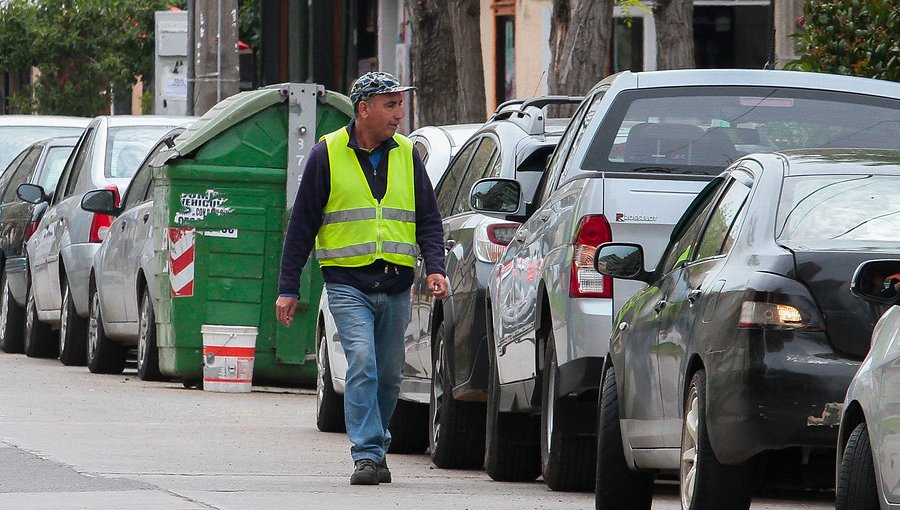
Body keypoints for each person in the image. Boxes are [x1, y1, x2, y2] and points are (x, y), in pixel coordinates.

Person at [275, 71, 448, 486]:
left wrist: (436, 266)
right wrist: (288, 288)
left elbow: (427, 217)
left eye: (401, 105)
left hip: (395, 285)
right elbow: (302, 225)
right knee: (363, 365)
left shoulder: (407, 155)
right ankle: (367, 454)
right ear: (364, 109)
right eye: (390, 105)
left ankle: (378, 444)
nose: (399, 114)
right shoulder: (327, 154)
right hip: (347, 284)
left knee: (390, 375)